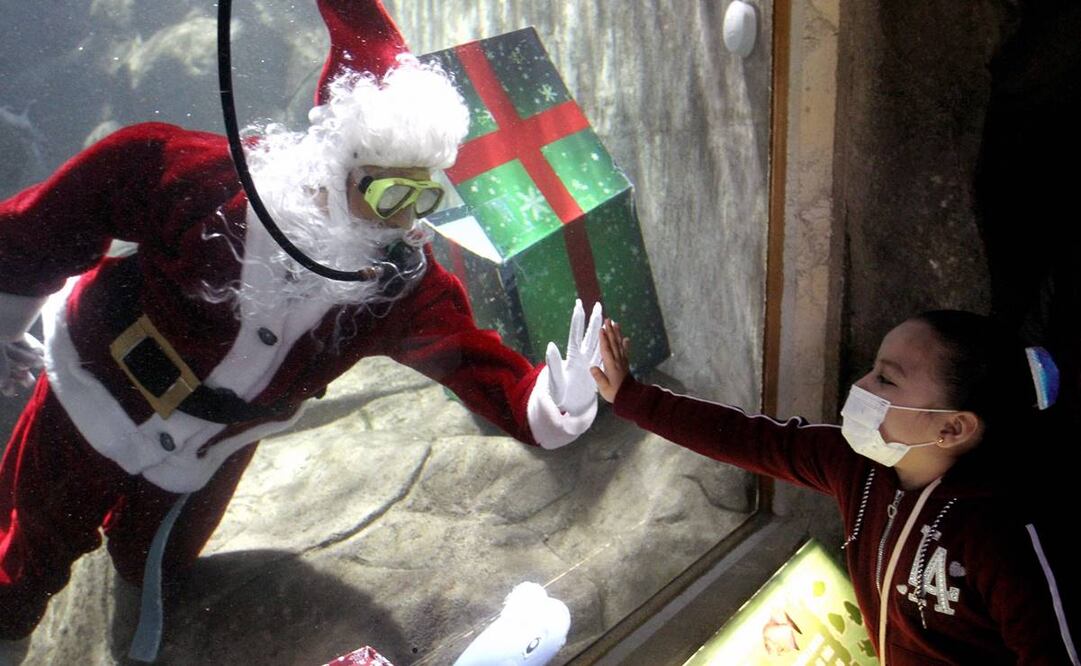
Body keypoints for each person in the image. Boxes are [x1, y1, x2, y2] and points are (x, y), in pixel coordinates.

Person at [0, 1, 602, 659]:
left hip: (202, 458)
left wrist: (547, 403)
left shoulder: (394, 285)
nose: (402, 226)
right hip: (90, 395)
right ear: (333, 161)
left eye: (424, 199)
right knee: (26, 548)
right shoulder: (195, 179)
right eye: (387, 196)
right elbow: (55, 219)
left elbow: (468, 357)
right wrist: (10, 317)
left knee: (157, 567)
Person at [591, 312, 1077, 664]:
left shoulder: (1003, 532)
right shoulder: (856, 467)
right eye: (873, 367)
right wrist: (633, 398)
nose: (861, 384)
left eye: (886, 379)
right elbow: (750, 439)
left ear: (951, 429)